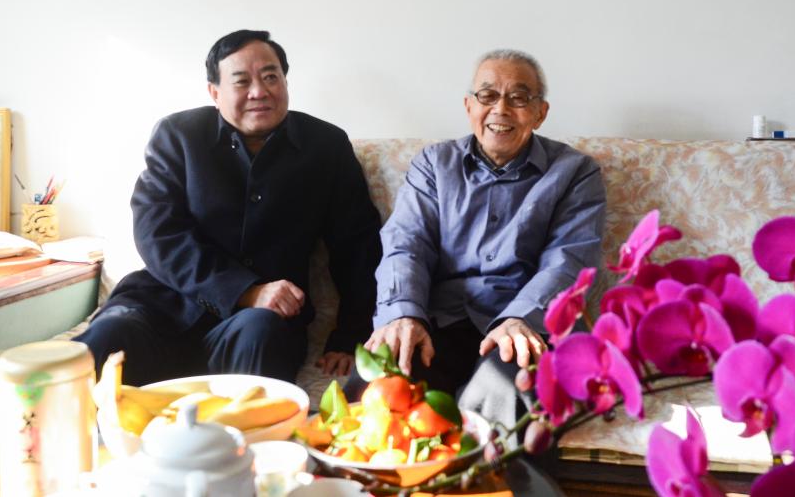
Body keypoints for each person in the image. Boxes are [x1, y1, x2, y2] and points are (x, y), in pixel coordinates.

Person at [76, 30, 382, 385]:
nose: (259, 91)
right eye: (242, 81)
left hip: (258, 323)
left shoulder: (326, 146)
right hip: (161, 308)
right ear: (215, 92)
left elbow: (357, 244)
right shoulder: (178, 136)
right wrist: (244, 291)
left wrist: (350, 335)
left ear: (285, 82)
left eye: (271, 77)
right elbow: (158, 233)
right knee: (106, 339)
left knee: (261, 333)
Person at [349, 49, 606, 431]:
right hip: (440, 319)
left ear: (540, 113)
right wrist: (403, 313)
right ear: (469, 106)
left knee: (503, 402)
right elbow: (407, 242)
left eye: (519, 98)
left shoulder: (575, 172)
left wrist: (521, 318)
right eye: (488, 95)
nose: (501, 109)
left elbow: (569, 260)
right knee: (374, 390)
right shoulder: (433, 163)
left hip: (525, 324)